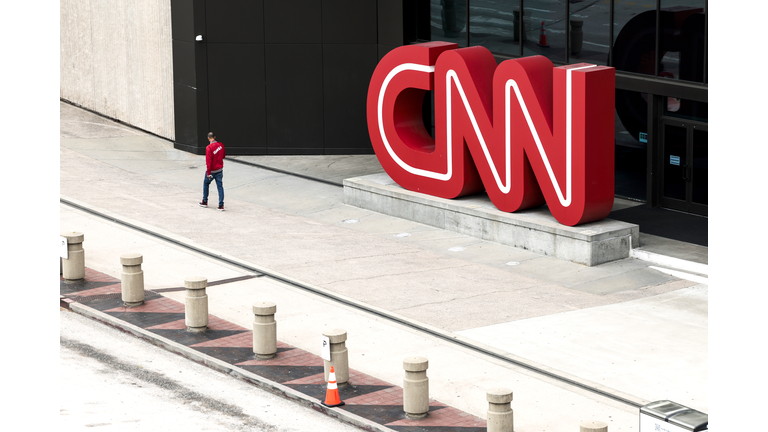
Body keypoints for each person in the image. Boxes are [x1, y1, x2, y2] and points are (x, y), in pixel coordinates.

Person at [199, 132, 225, 211]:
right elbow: (223, 155)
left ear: (208, 138)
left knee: (206, 184)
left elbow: (208, 161)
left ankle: (205, 201)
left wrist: (208, 173)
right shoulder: (221, 145)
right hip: (219, 170)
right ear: (215, 137)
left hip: (212, 171)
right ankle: (221, 205)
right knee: (220, 187)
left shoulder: (208, 148)